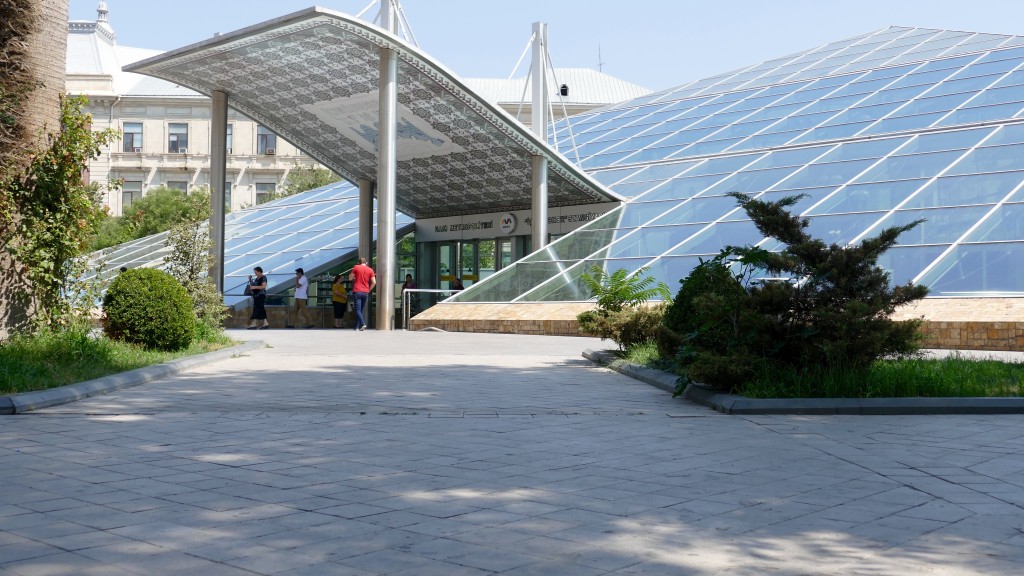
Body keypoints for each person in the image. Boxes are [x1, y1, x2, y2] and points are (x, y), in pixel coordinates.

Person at [349, 257, 375, 331]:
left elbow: (350, 278)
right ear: (366, 263)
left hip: (357, 291)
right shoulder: (370, 270)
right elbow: (374, 282)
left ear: (359, 262)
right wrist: (369, 290)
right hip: (365, 292)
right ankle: (357, 327)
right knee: (360, 310)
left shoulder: (356, 267)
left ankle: (362, 323)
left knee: (357, 310)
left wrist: (354, 277)